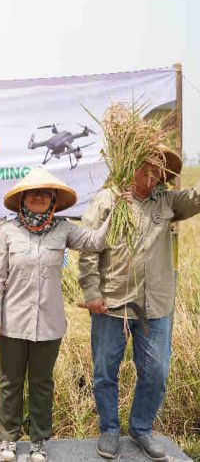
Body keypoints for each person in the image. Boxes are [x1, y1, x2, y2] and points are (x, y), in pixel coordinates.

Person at [79, 146, 200, 461]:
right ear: (130, 163)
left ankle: (141, 428)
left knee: (157, 371)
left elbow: (197, 197)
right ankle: (109, 428)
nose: (152, 173)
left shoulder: (167, 201)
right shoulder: (109, 199)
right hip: (112, 303)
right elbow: (89, 249)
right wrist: (92, 292)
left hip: (155, 305)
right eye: (146, 165)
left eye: (158, 168)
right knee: (105, 370)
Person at [0, 168, 110, 462]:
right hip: (12, 323)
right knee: (10, 382)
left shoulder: (63, 229)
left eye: (45, 193)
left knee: (42, 384)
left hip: (50, 325)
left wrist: (117, 211)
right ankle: (8, 439)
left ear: (53, 200)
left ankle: (39, 440)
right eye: (33, 193)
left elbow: (95, 242)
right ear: (22, 199)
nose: (39, 197)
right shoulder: (7, 231)